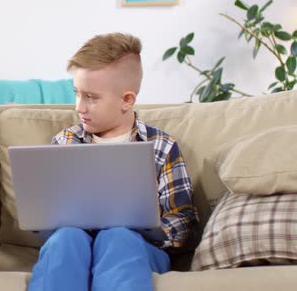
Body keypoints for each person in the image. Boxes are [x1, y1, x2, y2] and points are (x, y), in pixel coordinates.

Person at [28, 33, 198, 291]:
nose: (79, 107)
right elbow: (48, 216)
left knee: (118, 237)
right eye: (77, 94)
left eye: (91, 97)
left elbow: (182, 220)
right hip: (75, 247)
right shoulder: (65, 141)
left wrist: (147, 229)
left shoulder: (160, 146)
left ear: (127, 100)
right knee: (67, 239)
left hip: (137, 248)